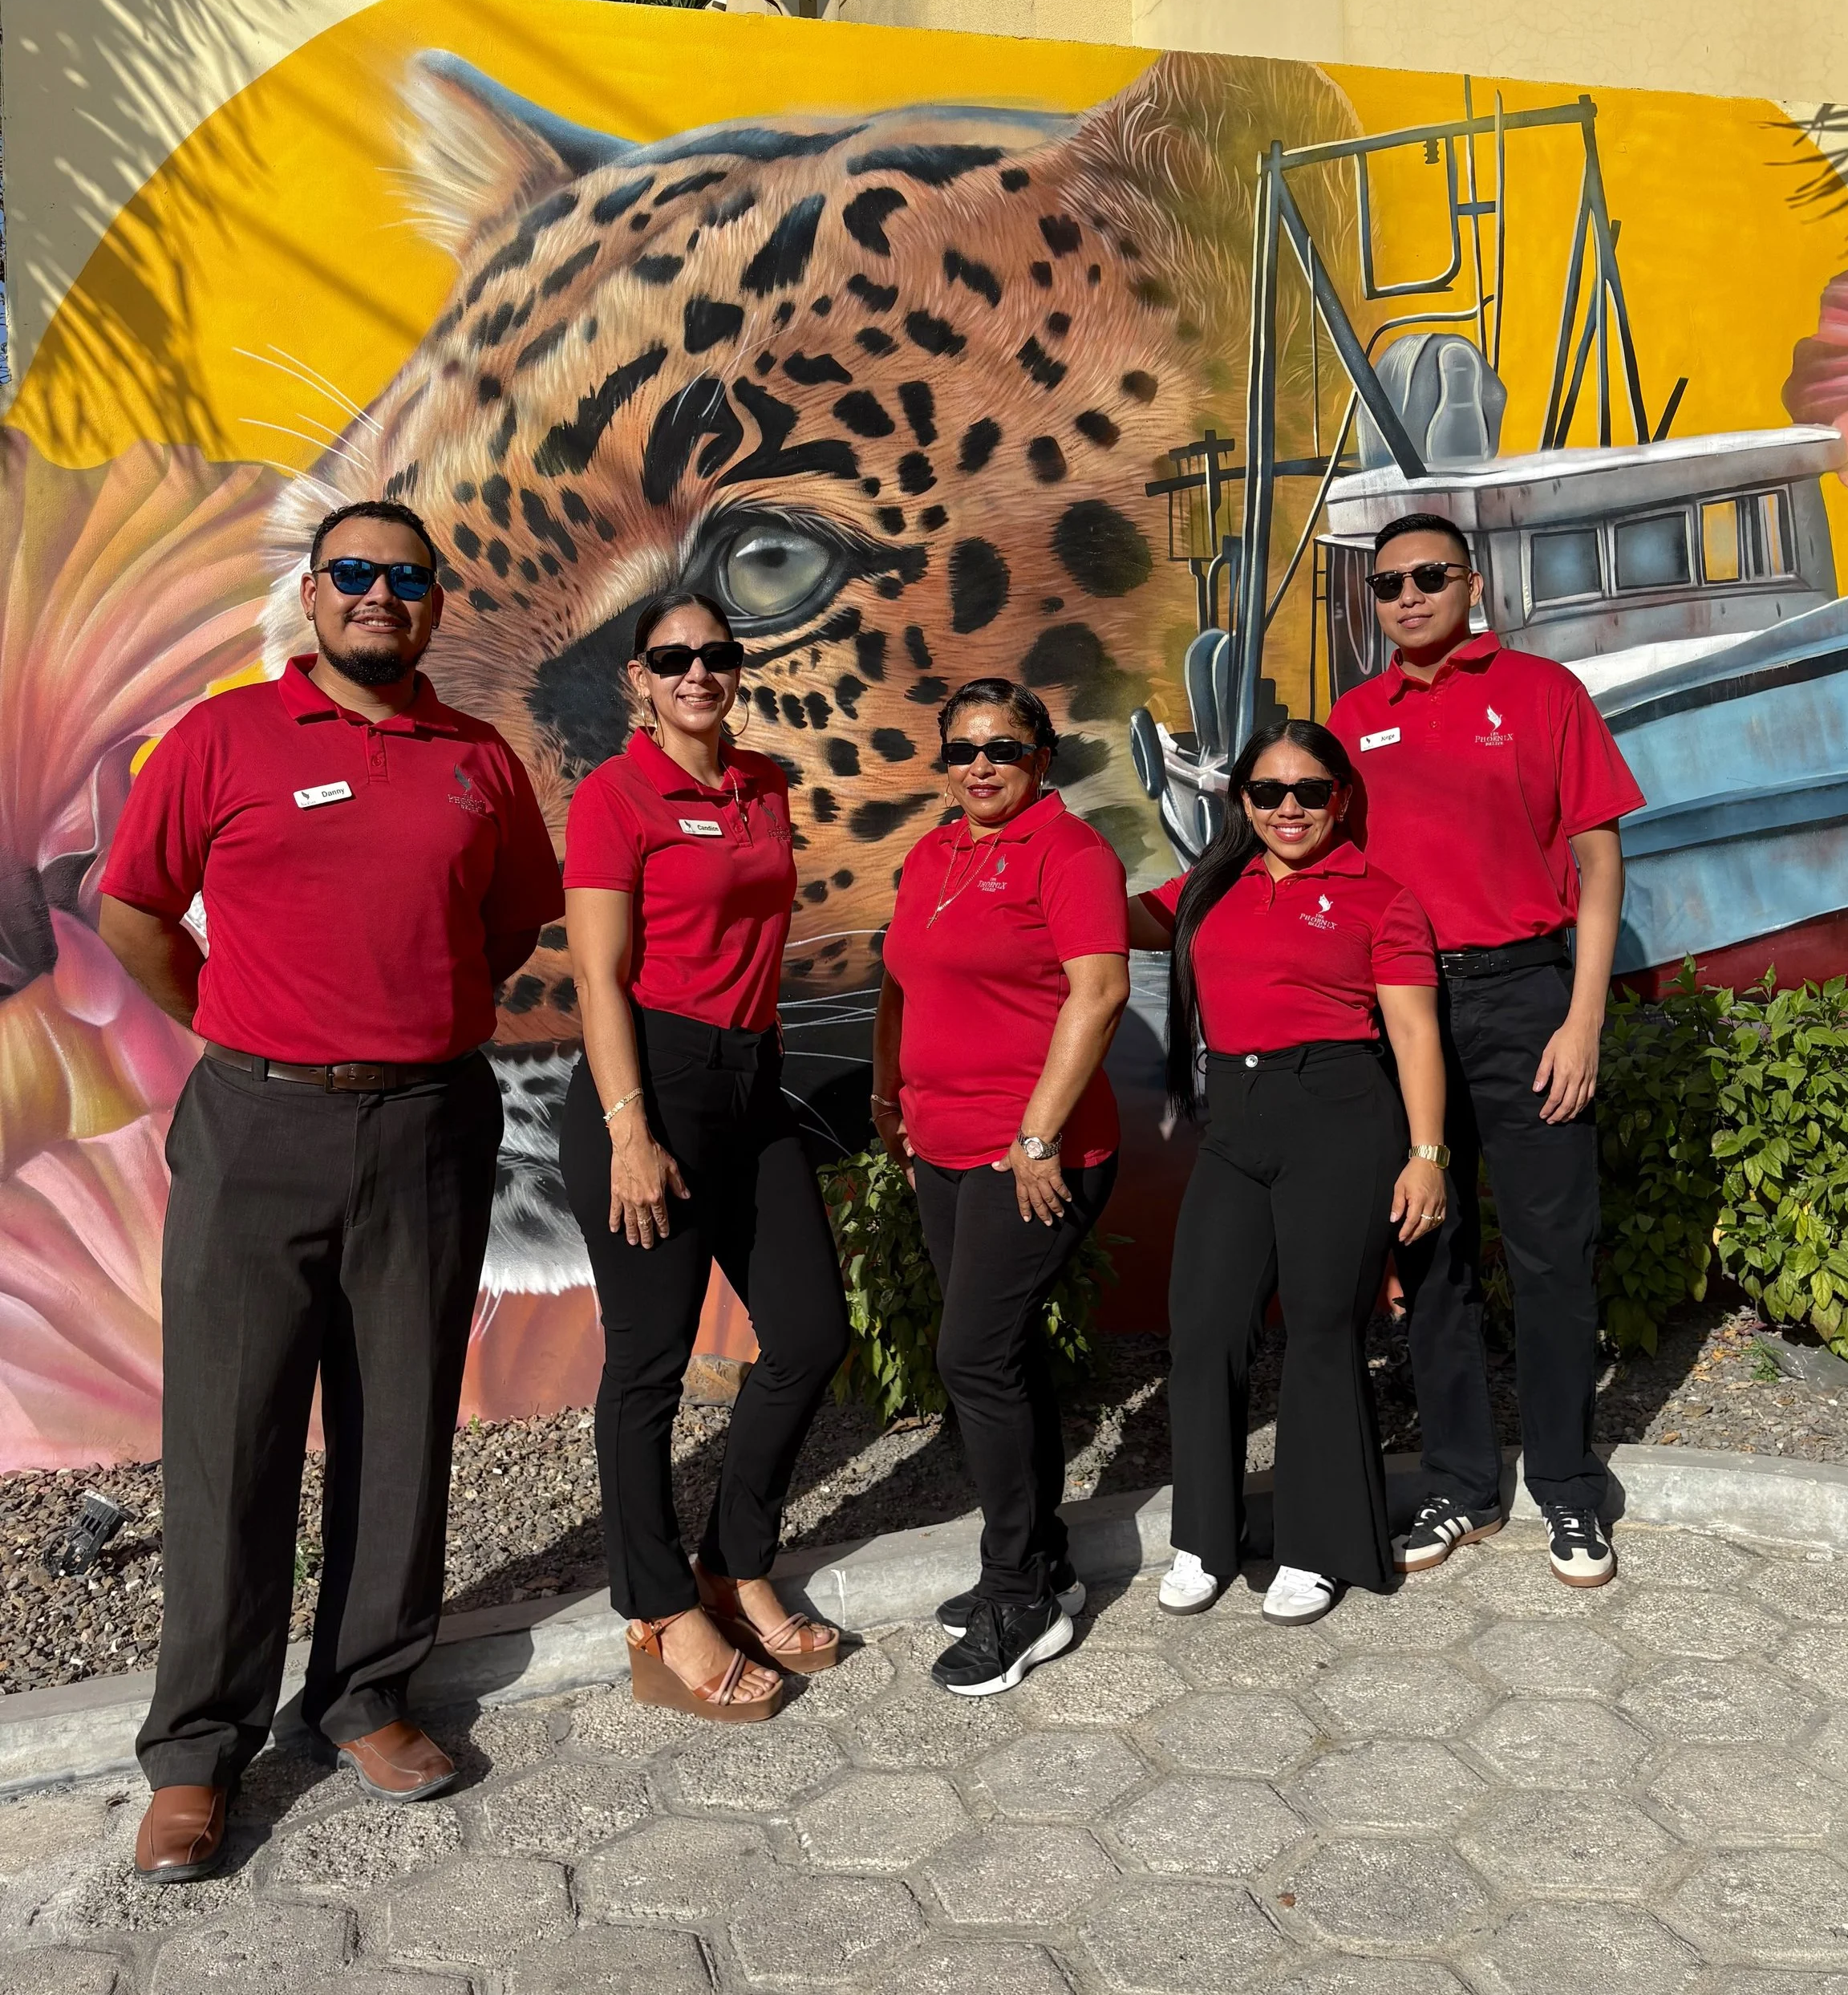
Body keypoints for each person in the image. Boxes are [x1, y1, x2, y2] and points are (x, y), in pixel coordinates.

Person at [98, 499, 563, 1882]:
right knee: (229, 1441)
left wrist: (412, 1023)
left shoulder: (478, 758)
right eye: (352, 573)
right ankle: (198, 1750)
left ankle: (364, 1695)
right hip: (259, 1128)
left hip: (427, 1122)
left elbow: (510, 916)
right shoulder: (222, 739)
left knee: (401, 1425)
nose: (378, 595)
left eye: (404, 579)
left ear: (431, 605)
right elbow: (134, 912)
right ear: (312, 595)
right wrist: (241, 1028)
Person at [1327, 512, 1647, 1589]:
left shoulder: (1545, 693)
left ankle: (1565, 1485)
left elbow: (1599, 866)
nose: (1408, 596)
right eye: (1387, 584)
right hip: (1404, 1011)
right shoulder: (1353, 718)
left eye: (1429, 576)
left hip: (1526, 996)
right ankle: (1463, 1486)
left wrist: (1584, 1018)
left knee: (1555, 1253)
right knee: (1431, 1252)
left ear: (1471, 583)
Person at [560, 590, 847, 1721]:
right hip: (654, 1089)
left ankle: (732, 1560)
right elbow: (597, 976)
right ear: (640, 677)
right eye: (673, 657)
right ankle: (657, 1605)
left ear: (737, 669)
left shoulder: (765, 783)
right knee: (650, 1364)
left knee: (812, 1334)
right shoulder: (614, 795)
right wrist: (631, 1132)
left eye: (716, 655)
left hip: (752, 1080)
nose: (697, 672)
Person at [1129, 721, 1448, 1624]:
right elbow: (1110, 921)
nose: (1289, 808)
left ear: (1339, 797)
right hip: (1235, 1117)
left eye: (1310, 790)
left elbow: (1416, 1033)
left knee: (1318, 1331)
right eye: (1268, 792)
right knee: (1205, 1325)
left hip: (1339, 1117)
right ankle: (1206, 1533)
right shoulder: (1208, 888)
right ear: (1242, 802)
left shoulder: (1379, 898)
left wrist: (1426, 1155)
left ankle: (1317, 1546)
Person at [873, 679, 1129, 1695]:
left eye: (1004, 747)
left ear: (1042, 756)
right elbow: (899, 979)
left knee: (973, 1355)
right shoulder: (935, 852)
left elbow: (1101, 991)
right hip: (938, 1143)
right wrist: (889, 1096)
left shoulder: (1070, 853)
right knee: (1001, 1353)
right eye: (963, 749)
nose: (981, 765)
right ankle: (1046, 1562)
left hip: (1029, 1155)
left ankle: (1018, 1594)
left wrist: (1037, 1134)